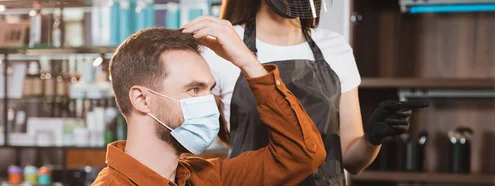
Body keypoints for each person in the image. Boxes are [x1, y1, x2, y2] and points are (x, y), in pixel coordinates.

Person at [181, 0, 428, 185]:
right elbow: (190, 140)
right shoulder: (222, 45)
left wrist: (373, 139)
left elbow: (352, 161)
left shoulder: (335, 47)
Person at [91, 27, 326, 185]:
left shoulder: (205, 177)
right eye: (194, 89)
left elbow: (302, 155)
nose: (209, 103)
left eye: (209, 90)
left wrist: (247, 61)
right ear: (142, 100)